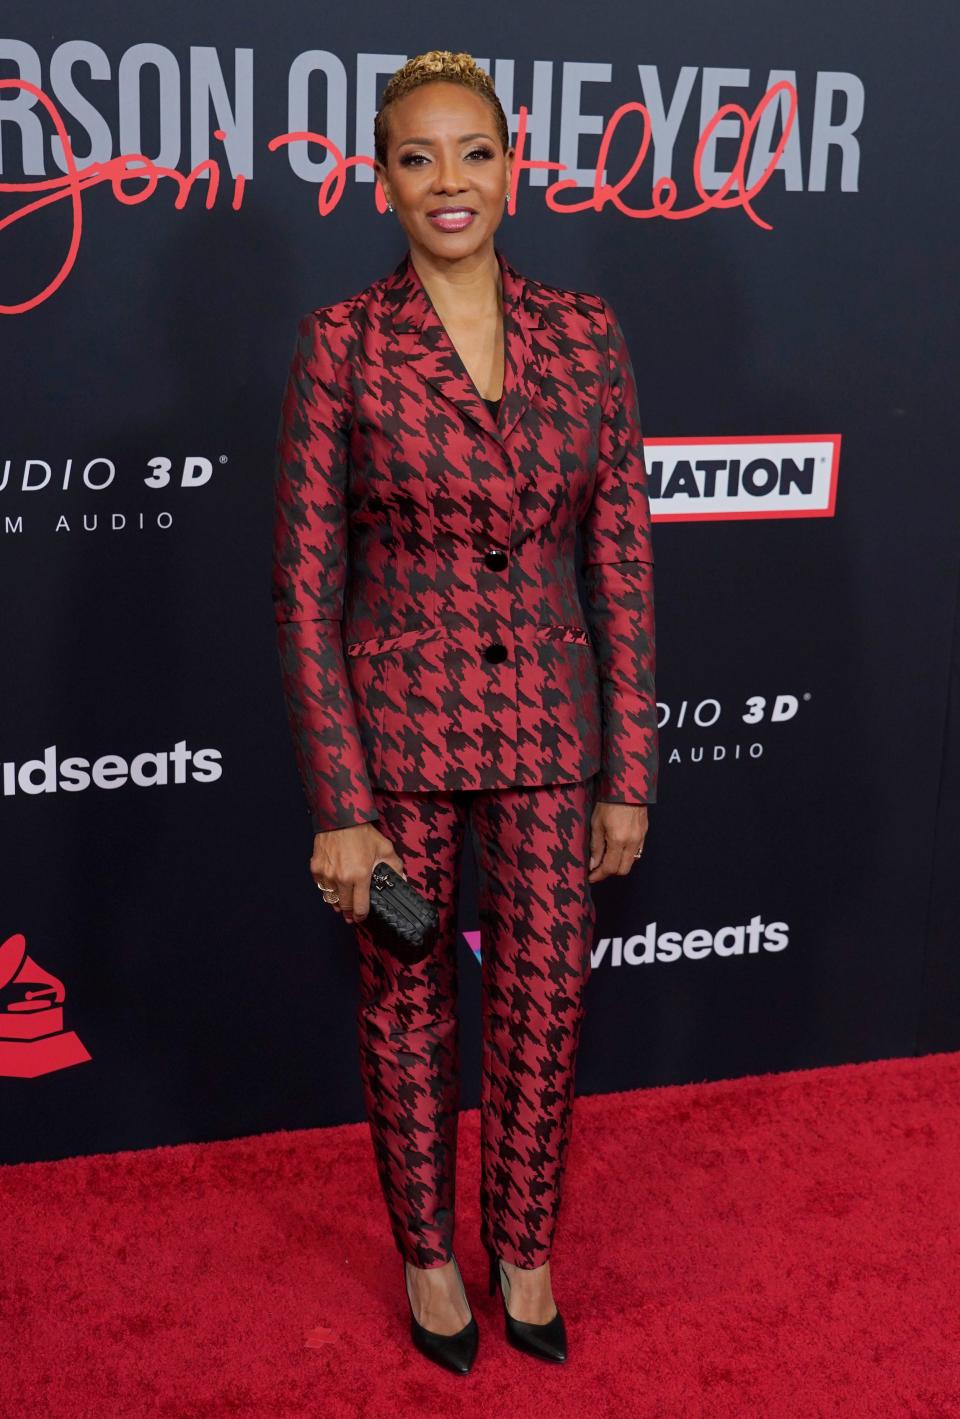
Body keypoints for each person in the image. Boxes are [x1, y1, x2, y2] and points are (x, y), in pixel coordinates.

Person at [272, 49, 657, 1375]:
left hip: (554, 733)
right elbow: (305, 589)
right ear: (382, 180)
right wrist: (341, 808)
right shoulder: (342, 344)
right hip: (398, 743)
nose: (450, 182)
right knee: (406, 1010)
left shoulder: (587, 335)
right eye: (419, 157)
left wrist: (629, 768)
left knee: (547, 999)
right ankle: (431, 1261)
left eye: (473, 153)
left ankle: (526, 1247)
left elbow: (618, 560)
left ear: (515, 164)